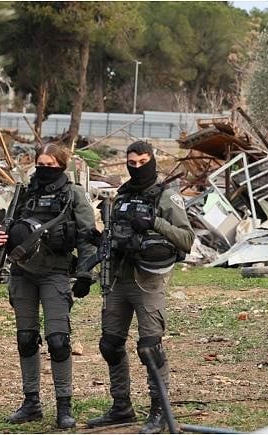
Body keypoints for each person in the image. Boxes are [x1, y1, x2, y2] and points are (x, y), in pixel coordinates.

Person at [87, 141, 194, 434]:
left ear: (152, 161)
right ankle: (121, 407)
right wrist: (100, 241)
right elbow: (116, 233)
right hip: (117, 278)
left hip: (148, 280)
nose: (137, 168)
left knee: (150, 348)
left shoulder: (167, 196)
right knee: (110, 344)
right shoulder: (121, 196)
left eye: (142, 162)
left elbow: (187, 240)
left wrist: (154, 221)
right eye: (131, 163)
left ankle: (160, 412)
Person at [0, 144, 96, 429]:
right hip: (22, 273)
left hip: (55, 273)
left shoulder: (73, 194)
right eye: (41, 164)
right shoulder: (24, 193)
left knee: (58, 341)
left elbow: (87, 236)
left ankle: (64, 406)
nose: (45, 169)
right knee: (26, 339)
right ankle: (31, 403)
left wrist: (85, 273)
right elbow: (8, 228)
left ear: (62, 165)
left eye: (51, 164)